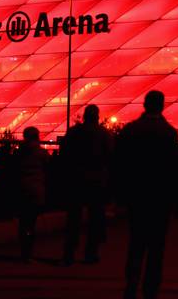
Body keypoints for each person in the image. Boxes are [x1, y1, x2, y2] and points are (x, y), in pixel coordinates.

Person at [115, 91, 178, 299]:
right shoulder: (169, 133)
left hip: (137, 197)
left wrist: (120, 194)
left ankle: (131, 282)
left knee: (136, 242)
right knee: (156, 247)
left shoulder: (131, 130)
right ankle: (150, 289)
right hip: (160, 199)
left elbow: (119, 164)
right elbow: (176, 170)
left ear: (144, 105)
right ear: (162, 106)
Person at [60, 104, 112, 265]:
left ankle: (69, 253)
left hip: (76, 180)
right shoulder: (103, 134)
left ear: (84, 116)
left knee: (73, 218)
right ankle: (91, 253)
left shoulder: (74, 132)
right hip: (96, 181)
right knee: (95, 217)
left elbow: (64, 155)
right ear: (97, 116)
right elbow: (110, 156)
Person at [13, 126, 50, 262]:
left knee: (23, 221)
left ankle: (24, 251)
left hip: (22, 189)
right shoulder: (41, 153)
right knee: (31, 222)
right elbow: (48, 168)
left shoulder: (19, 153)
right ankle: (29, 252)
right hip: (36, 190)